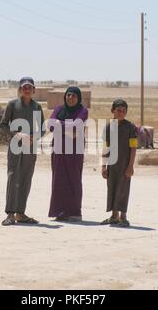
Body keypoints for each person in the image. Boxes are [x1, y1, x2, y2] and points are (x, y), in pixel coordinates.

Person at [0, 77, 45, 226]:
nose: (27, 89)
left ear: (34, 90)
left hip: (30, 148)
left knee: (26, 178)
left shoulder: (37, 107)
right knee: (13, 177)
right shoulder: (12, 105)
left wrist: (35, 137)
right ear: (20, 89)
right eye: (24, 87)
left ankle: (20, 213)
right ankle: (10, 214)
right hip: (15, 146)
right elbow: (3, 125)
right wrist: (17, 134)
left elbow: (43, 129)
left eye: (29, 87)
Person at [48, 87, 88, 222]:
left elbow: (76, 127)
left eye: (74, 96)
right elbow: (51, 125)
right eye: (68, 95)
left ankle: (75, 212)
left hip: (75, 150)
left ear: (78, 98)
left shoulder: (82, 111)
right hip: (58, 149)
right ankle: (60, 211)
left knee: (74, 179)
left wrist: (60, 124)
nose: (70, 98)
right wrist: (68, 128)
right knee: (58, 179)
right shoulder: (59, 109)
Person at [101, 99, 138, 227]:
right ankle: (114, 216)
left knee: (123, 189)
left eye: (124, 111)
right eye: (118, 110)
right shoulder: (107, 127)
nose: (121, 113)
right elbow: (105, 147)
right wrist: (103, 166)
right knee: (111, 188)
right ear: (113, 111)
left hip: (124, 165)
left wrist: (130, 166)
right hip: (112, 165)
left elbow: (133, 148)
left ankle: (123, 217)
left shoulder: (131, 128)